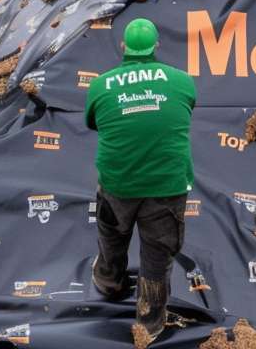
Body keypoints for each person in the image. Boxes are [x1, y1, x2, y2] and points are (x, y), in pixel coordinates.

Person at [86, 19, 197, 343]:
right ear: (155, 47)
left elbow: (94, 123)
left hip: (118, 183)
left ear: (124, 47)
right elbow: (186, 108)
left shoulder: (100, 85)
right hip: (168, 186)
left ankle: (109, 280)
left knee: (112, 235)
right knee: (158, 254)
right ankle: (149, 322)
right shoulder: (182, 82)